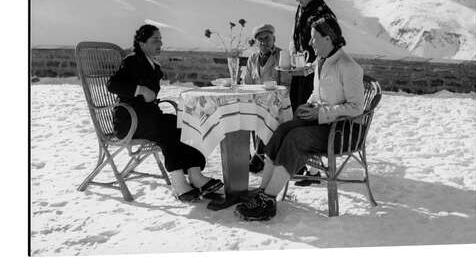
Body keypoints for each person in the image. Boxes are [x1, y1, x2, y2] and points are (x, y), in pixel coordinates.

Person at [234, 16, 364, 221]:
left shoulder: (348, 66)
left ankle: (268, 199)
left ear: (328, 38)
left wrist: (320, 113)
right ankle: (263, 190)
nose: (311, 43)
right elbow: (318, 93)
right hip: (323, 123)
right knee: (283, 129)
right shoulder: (322, 61)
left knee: (296, 139)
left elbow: (357, 108)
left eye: (314, 38)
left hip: (342, 130)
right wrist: (310, 104)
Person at [107, 24, 223, 203]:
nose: (160, 43)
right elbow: (113, 85)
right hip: (129, 122)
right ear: (141, 43)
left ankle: (195, 174)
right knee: (166, 129)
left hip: (148, 119)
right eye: (155, 40)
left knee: (183, 124)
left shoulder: (152, 65)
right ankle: (178, 183)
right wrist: (140, 89)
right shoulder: (132, 61)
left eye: (160, 39)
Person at [289, 0, 337, 185]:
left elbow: (331, 45)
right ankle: (303, 164)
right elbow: (297, 36)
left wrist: (314, 65)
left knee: (309, 118)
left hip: (316, 73)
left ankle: (314, 170)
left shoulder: (323, 13)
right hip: (301, 71)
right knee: (297, 114)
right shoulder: (303, 7)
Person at [244, 24, 290, 173]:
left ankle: (260, 156)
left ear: (274, 39)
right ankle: (249, 155)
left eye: (267, 38)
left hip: (278, 103)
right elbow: (247, 83)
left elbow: (286, 85)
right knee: (240, 112)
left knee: (266, 113)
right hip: (256, 101)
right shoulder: (252, 58)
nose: (263, 42)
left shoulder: (281, 55)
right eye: (260, 39)